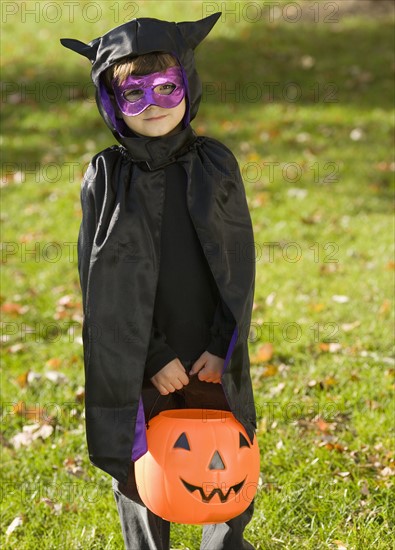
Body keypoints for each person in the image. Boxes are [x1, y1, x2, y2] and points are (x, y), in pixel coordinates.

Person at [61, 12, 257, 550]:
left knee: (224, 456)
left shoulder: (216, 164)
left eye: (167, 88)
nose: (153, 106)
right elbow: (101, 285)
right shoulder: (106, 177)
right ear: (110, 102)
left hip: (210, 350)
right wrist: (149, 356)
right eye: (134, 95)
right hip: (141, 352)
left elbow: (239, 265)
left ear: (188, 85)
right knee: (144, 465)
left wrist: (222, 345)